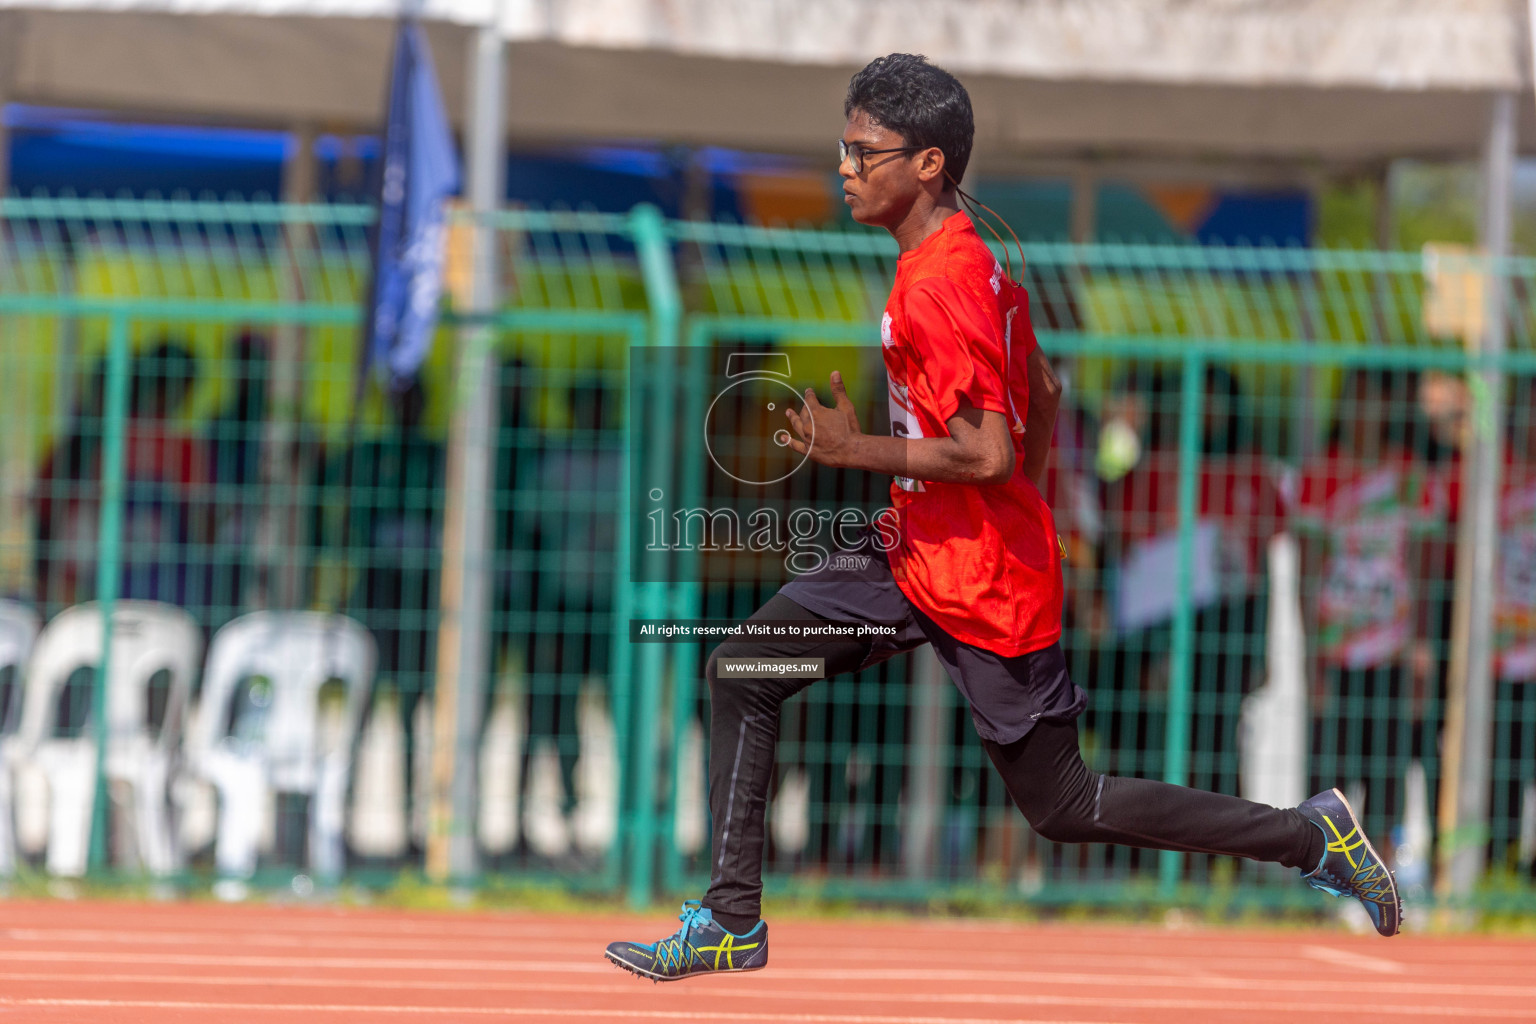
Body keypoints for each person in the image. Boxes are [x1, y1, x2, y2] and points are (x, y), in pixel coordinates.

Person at [604, 54, 1401, 983]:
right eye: (845, 146)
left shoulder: (943, 281)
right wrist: (1012, 502)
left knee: (1063, 804)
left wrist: (856, 452)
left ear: (930, 163)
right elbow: (1047, 393)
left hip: (985, 585)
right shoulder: (968, 256)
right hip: (916, 554)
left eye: (865, 152)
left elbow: (986, 454)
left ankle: (1313, 838)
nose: (845, 167)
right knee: (745, 666)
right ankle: (733, 921)